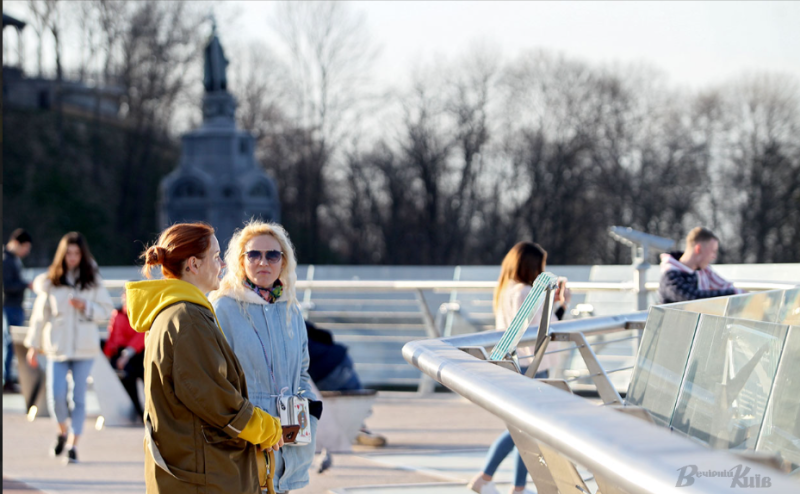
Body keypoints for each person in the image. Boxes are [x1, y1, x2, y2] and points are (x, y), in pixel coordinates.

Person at [127, 222, 283, 494]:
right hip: (202, 476)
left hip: (190, 469)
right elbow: (213, 397)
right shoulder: (187, 319)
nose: (222, 264)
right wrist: (266, 428)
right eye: (216, 256)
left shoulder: (175, 313)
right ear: (194, 265)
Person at [210, 220, 321, 493]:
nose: (263, 262)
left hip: (289, 436)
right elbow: (217, 379)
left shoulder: (291, 309)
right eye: (254, 255)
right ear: (241, 260)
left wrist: (310, 412)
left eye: (272, 255)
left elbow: (302, 371)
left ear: (283, 261)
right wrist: (246, 423)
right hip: (247, 435)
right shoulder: (223, 308)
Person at [468, 241, 570, 494]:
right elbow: (544, 329)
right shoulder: (526, 292)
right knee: (525, 431)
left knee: (523, 430)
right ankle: (494, 481)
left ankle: (511, 485)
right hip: (531, 366)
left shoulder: (507, 290)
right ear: (531, 267)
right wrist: (562, 305)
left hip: (514, 365)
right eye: (540, 266)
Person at [23, 232, 114, 463]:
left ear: (82, 255)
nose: (72, 257)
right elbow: (40, 316)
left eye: (76, 253)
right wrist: (33, 346)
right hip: (57, 347)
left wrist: (86, 306)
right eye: (68, 253)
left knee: (79, 398)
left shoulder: (92, 278)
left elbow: (106, 310)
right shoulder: (51, 281)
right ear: (62, 255)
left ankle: (73, 445)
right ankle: (62, 431)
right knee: (56, 396)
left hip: (85, 348)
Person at [305, 320, 387, 447]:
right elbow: (325, 335)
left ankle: (355, 429)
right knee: (352, 400)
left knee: (328, 404)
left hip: (323, 369)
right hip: (340, 358)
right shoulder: (293, 318)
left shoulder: (276, 325)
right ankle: (359, 427)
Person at [659, 227, 744, 304]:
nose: (714, 256)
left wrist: (740, 295)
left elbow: (725, 285)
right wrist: (733, 293)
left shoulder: (704, 270)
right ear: (698, 249)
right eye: (713, 251)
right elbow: (694, 298)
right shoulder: (670, 276)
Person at [103, 290, 145, 420]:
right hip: (122, 356)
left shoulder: (143, 314)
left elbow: (141, 336)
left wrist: (126, 355)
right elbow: (113, 337)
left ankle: (147, 411)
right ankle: (138, 410)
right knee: (126, 376)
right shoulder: (118, 314)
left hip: (138, 354)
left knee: (146, 375)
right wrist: (109, 355)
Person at [3, 228, 32, 392]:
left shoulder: (12, 259)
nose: (26, 252)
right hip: (10, 306)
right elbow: (7, 286)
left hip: (13, 306)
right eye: (25, 247)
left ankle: (7, 378)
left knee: (10, 344)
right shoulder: (6, 260)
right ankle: (6, 379)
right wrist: (25, 284)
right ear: (16, 243)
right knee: (9, 343)